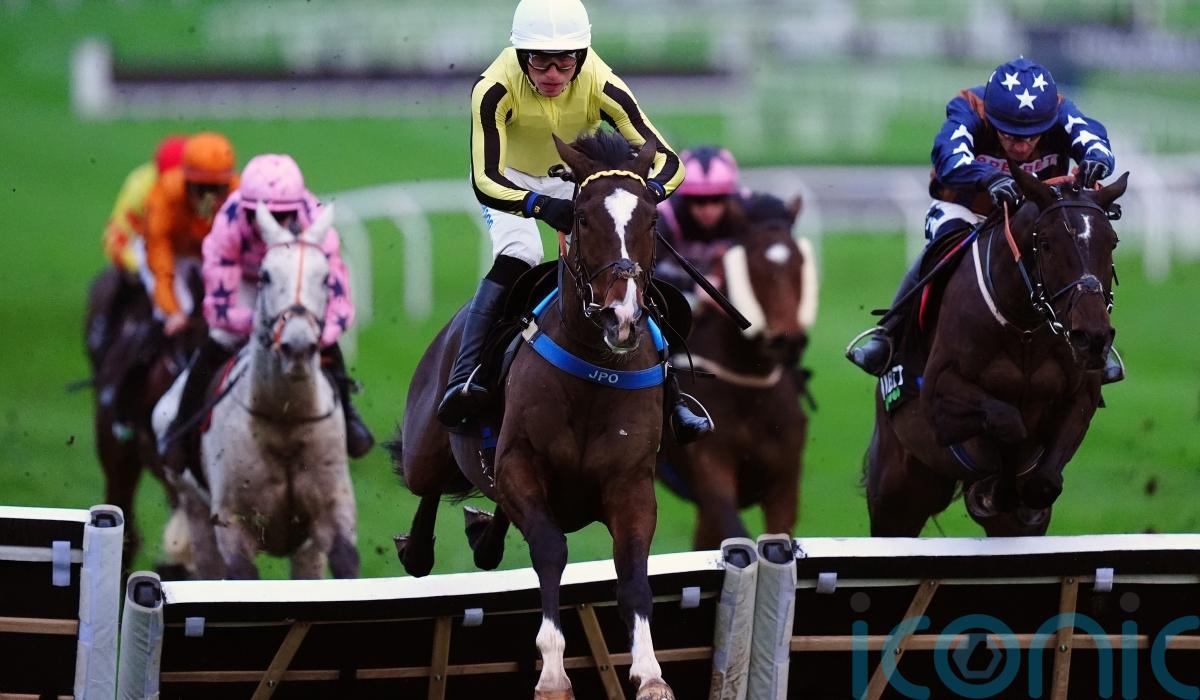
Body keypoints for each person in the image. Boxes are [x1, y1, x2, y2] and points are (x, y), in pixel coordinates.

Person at [439, 0, 713, 443]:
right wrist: (540, 206)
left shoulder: (602, 82)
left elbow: (668, 161)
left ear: (581, 57)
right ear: (521, 56)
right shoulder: (492, 88)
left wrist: (647, 193)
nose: (552, 74)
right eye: (539, 61)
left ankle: (672, 395)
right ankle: (466, 376)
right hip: (511, 181)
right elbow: (485, 179)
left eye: (564, 62)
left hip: (577, 180)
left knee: (625, 261)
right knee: (521, 253)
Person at [846, 57, 1123, 383]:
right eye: (1011, 135)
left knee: (1075, 254)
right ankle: (889, 335)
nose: (1021, 146)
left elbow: (1094, 140)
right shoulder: (969, 107)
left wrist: (1096, 160)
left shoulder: (1060, 111)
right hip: (967, 209)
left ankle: (1095, 339)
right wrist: (988, 178)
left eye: (1032, 136)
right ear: (992, 118)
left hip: (1032, 216)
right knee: (942, 249)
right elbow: (949, 157)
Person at [162, 154, 375, 477]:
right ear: (248, 211)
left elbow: (340, 304)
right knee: (219, 339)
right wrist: (262, 324)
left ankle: (348, 415)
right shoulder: (229, 222)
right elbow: (218, 309)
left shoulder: (315, 221)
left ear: (296, 210)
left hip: (293, 282)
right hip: (248, 283)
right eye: (264, 216)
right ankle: (182, 427)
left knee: (325, 344)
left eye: (283, 216)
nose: (274, 225)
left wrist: (319, 334)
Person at [88, 135, 188, 367]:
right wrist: (137, 265)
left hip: (183, 250)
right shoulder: (140, 187)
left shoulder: (200, 187)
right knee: (119, 284)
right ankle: (103, 338)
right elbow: (115, 237)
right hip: (145, 247)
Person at [140, 132, 239, 334]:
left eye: (217, 189)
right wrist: (172, 310)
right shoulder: (164, 197)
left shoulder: (240, 194)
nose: (209, 199)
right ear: (186, 183)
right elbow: (160, 263)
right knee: (182, 306)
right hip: (172, 254)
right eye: (202, 189)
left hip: (209, 256)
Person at [654, 146, 744, 292]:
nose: (708, 210)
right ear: (684, 199)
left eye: (717, 199)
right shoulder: (664, 215)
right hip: (680, 292)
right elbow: (644, 269)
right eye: (699, 200)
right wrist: (693, 286)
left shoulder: (746, 208)